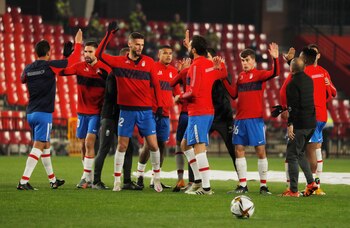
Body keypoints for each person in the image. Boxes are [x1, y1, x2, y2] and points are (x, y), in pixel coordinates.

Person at [96, 22, 164, 192]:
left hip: (145, 111)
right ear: (130, 44)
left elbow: (156, 85)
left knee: (154, 146)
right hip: (126, 111)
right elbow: (99, 54)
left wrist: (160, 105)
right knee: (122, 146)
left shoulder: (149, 62)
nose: (140, 47)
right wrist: (108, 34)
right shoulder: (119, 62)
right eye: (137, 44)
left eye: (142, 45)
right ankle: (117, 181)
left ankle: (156, 178)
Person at [17, 29, 83, 190]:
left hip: (31, 112)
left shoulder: (28, 68)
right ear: (48, 53)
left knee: (45, 145)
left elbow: (22, 80)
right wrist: (78, 44)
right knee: (39, 146)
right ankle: (23, 181)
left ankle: (53, 180)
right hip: (44, 113)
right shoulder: (50, 66)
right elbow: (73, 60)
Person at [223, 43, 280, 194]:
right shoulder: (241, 77)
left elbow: (274, 73)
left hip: (255, 120)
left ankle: (263, 186)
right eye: (242, 61)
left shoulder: (260, 74)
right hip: (240, 120)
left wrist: (275, 59)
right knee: (239, 149)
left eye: (247, 60)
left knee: (260, 150)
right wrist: (223, 78)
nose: (245, 63)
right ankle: (243, 185)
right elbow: (233, 94)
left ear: (254, 61)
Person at [280, 46, 337, 195]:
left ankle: (300, 187)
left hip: (304, 118)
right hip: (320, 116)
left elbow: (285, 88)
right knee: (314, 148)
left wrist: (284, 110)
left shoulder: (303, 73)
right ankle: (315, 184)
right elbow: (332, 93)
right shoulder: (323, 72)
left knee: (299, 152)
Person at [179, 34, 228, 195]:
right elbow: (223, 74)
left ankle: (206, 188)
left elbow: (192, 92)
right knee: (185, 145)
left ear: (193, 50)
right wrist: (220, 65)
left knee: (199, 147)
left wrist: (179, 97)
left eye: (190, 46)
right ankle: (198, 181)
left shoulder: (194, 66)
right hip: (208, 111)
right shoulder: (209, 64)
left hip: (198, 112)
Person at [59, 41, 111, 189]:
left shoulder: (104, 68)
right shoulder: (79, 67)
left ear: (96, 53)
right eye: (85, 52)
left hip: (96, 112)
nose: (87, 54)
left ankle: (86, 178)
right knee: (82, 145)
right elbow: (61, 72)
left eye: (90, 52)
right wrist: (65, 57)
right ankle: (87, 177)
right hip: (81, 113)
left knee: (89, 142)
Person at [93, 47, 142, 190]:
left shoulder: (124, 75)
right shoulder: (113, 74)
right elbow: (112, 93)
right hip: (109, 116)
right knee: (104, 148)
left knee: (129, 147)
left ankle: (126, 181)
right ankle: (96, 181)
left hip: (121, 117)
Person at [136, 45, 180, 189]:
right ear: (158, 54)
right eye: (165, 53)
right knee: (149, 145)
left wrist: (177, 100)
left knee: (161, 146)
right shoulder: (152, 68)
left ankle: (155, 178)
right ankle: (140, 176)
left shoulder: (174, 72)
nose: (168, 56)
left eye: (170, 53)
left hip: (165, 115)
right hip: (150, 113)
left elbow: (177, 93)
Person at [282, 57, 318, 197]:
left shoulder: (292, 84)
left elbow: (293, 107)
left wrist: (290, 124)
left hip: (300, 125)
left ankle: (294, 190)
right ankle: (311, 183)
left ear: (291, 69)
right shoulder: (309, 80)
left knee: (291, 156)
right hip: (311, 124)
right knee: (301, 152)